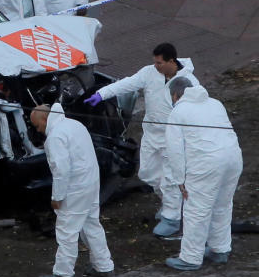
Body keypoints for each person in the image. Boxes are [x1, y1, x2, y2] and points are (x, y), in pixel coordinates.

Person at [83, 43, 198, 237]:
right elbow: (127, 83)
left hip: (174, 138)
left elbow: (197, 112)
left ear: (172, 61)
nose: (156, 66)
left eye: (159, 63)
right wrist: (101, 94)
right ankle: (174, 207)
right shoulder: (149, 73)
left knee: (171, 178)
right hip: (152, 134)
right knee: (148, 173)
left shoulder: (189, 82)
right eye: (154, 62)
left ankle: (173, 218)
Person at [30, 103, 115, 277]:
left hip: (75, 187)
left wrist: (57, 197)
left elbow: (61, 171)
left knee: (66, 230)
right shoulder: (74, 124)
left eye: (37, 125)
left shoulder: (55, 137)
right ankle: (104, 266)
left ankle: (63, 273)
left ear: (45, 119)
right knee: (91, 224)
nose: (38, 130)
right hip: (91, 181)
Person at [164, 77, 243, 271]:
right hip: (233, 158)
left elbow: (174, 150)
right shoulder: (216, 103)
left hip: (205, 164)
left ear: (175, 94)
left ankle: (190, 258)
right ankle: (220, 249)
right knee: (222, 205)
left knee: (196, 210)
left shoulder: (178, 112)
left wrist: (179, 180)